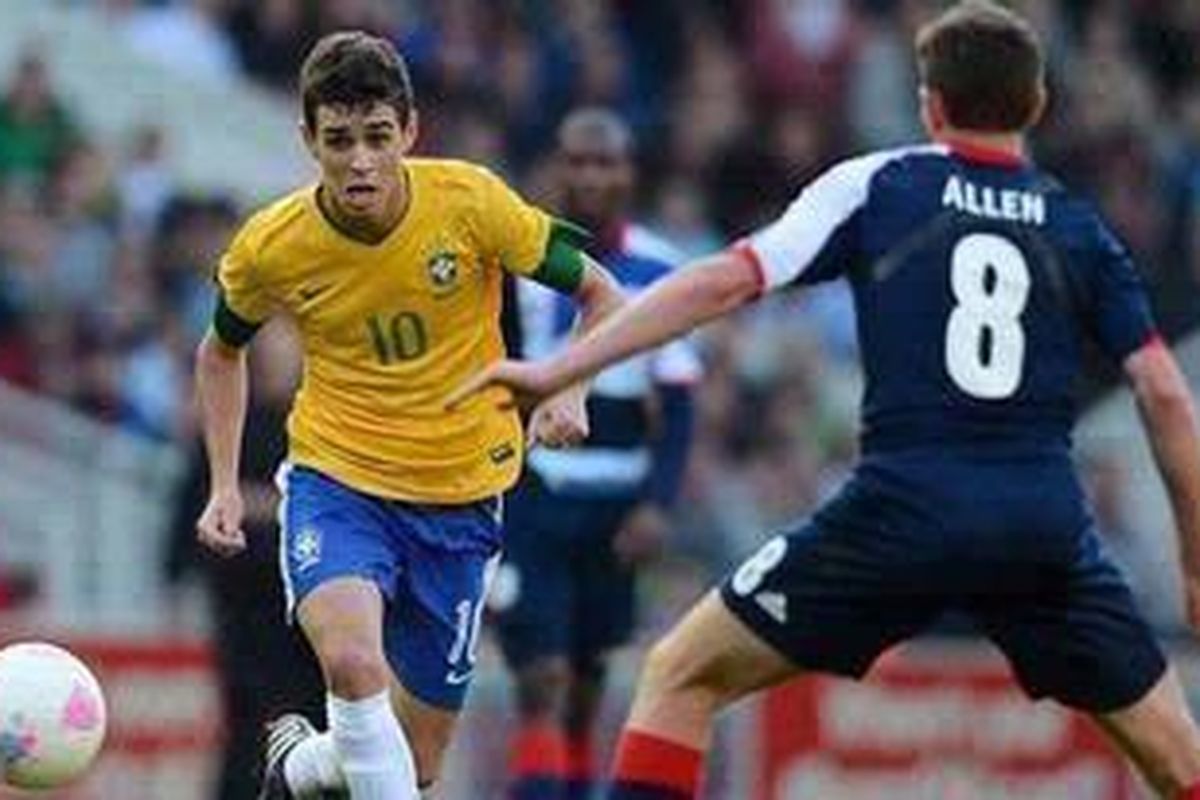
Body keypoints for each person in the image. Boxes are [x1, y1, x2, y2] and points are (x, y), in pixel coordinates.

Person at [453, 3, 1200, 798]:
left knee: (680, 675)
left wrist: (569, 364)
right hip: (1041, 530)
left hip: (900, 515)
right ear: (1037, 105)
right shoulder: (1077, 226)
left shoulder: (882, 183)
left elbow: (724, 281)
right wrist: (1193, 557)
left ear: (930, 104)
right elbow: (1163, 391)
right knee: (1178, 760)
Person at [193, 31, 623, 800]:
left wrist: (569, 388)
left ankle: (299, 765)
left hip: (461, 499)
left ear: (410, 133)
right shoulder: (272, 246)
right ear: (308, 140)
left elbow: (602, 295)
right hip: (339, 482)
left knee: (410, 764)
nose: (360, 160)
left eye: (377, 138)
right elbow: (220, 352)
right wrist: (226, 484)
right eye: (339, 140)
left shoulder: (472, 204)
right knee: (353, 667)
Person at [497, 108, 699, 800]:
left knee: (585, 684)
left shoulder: (661, 269)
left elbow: (676, 403)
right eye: (577, 161)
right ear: (557, 168)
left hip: (616, 504)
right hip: (537, 494)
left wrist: (657, 504)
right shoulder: (521, 261)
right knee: (539, 678)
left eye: (604, 162)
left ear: (629, 173)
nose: (590, 175)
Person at [168, 322, 325, 800]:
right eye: (268, 345)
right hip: (244, 612)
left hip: (313, 613)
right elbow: (191, 510)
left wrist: (261, 506)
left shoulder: (322, 425)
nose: (277, 354)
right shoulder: (228, 424)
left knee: (318, 726)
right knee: (248, 728)